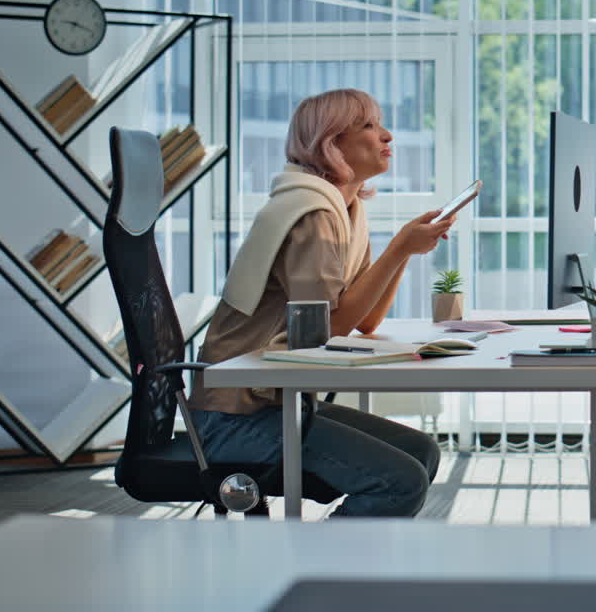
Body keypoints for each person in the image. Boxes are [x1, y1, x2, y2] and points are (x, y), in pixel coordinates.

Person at [188, 88, 455, 517]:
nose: (386, 135)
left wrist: (403, 251)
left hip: (278, 402)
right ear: (332, 144)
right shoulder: (312, 213)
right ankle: (315, 571)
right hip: (234, 416)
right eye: (368, 126)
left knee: (420, 451)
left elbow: (365, 321)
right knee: (398, 480)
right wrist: (399, 247)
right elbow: (324, 332)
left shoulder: (346, 209)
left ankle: (335, 569)